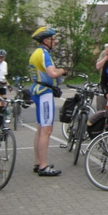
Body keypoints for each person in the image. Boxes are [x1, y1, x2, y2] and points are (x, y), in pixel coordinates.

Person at [29, 27, 67, 176]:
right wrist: (62, 70)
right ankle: (44, 166)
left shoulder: (35, 53)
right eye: (53, 39)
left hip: (37, 90)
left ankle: (38, 162)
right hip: (44, 93)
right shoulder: (43, 54)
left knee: (40, 129)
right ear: (46, 40)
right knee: (46, 130)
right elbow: (52, 73)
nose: (55, 41)